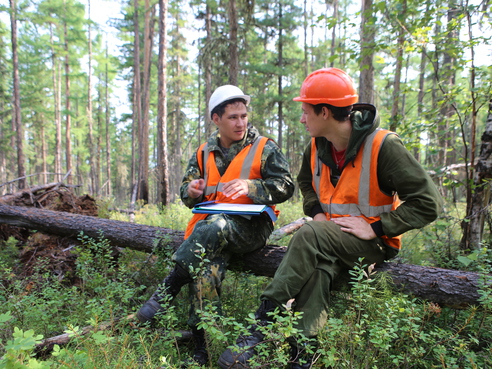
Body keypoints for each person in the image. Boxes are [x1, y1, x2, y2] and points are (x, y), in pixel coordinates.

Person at [218, 68, 443, 369]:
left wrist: (376, 227)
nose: (301, 119)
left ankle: (259, 325)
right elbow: (305, 183)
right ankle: (303, 354)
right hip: (329, 239)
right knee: (318, 267)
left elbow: (429, 203)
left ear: (324, 112)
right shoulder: (316, 146)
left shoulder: (383, 146)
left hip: (372, 245)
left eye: (305, 111)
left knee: (309, 235)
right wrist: (319, 213)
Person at [136, 84, 295, 365]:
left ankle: (166, 291)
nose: (240, 122)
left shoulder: (264, 147)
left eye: (244, 115)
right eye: (233, 117)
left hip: (252, 227)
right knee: (204, 273)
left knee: (213, 228)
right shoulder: (203, 152)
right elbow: (185, 191)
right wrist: (192, 191)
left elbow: (285, 186)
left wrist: (251, 186)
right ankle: (203, 348)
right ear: (216, 119)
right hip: (211, 227)